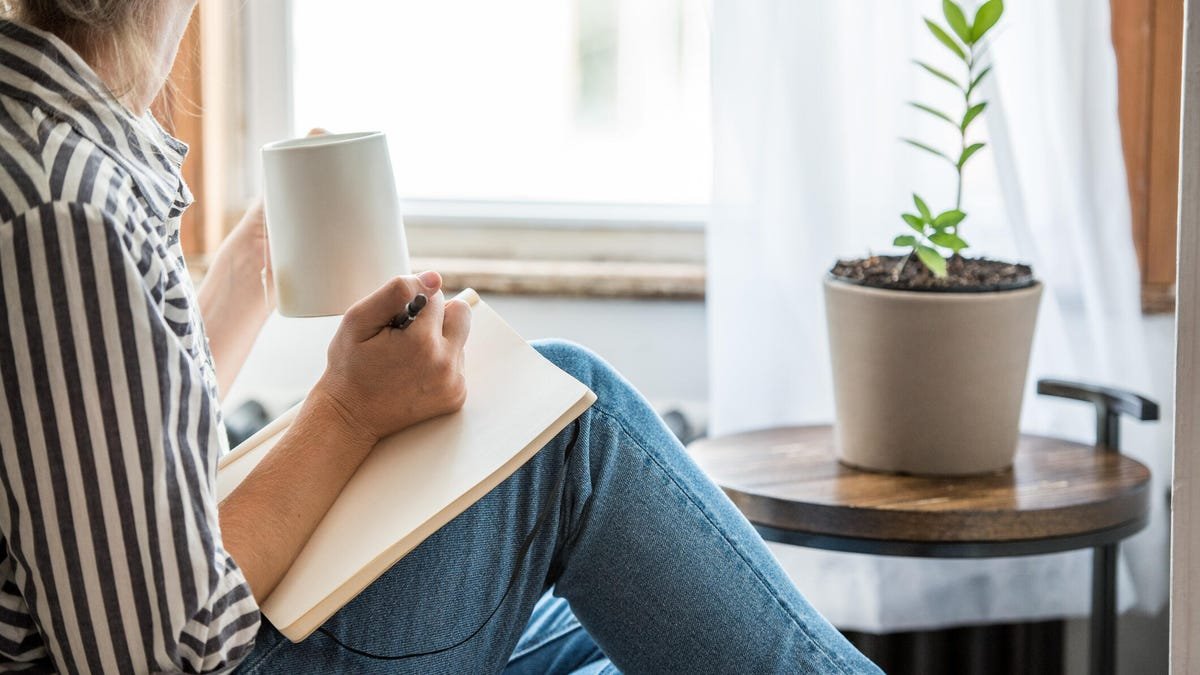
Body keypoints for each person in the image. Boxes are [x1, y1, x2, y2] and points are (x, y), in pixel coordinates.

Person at [0, 1, 881, 672]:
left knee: (606, 628)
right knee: (576, 418)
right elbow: (164, 650)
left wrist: (248, 271)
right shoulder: (63, 205)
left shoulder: (46, 141)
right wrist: (346, 411)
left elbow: (111, 469)